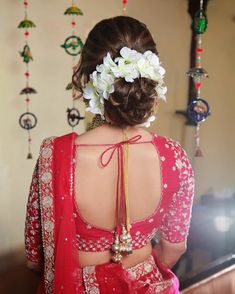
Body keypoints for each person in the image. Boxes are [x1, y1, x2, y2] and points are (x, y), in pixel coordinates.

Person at [24, 16, 194, 294]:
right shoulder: (174, 156)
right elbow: (174, 247)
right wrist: (136, 278)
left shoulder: (54, 157)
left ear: (87, 79)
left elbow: (35, 259)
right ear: (150, 79)